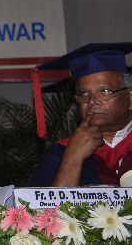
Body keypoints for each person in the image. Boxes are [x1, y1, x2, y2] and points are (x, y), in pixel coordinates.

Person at [30, 43, 132, 187]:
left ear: (130, 98)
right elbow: (42, 202)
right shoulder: (60, 152)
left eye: (104, 91)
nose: (92, 101)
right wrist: (73, 158)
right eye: (83, 93)